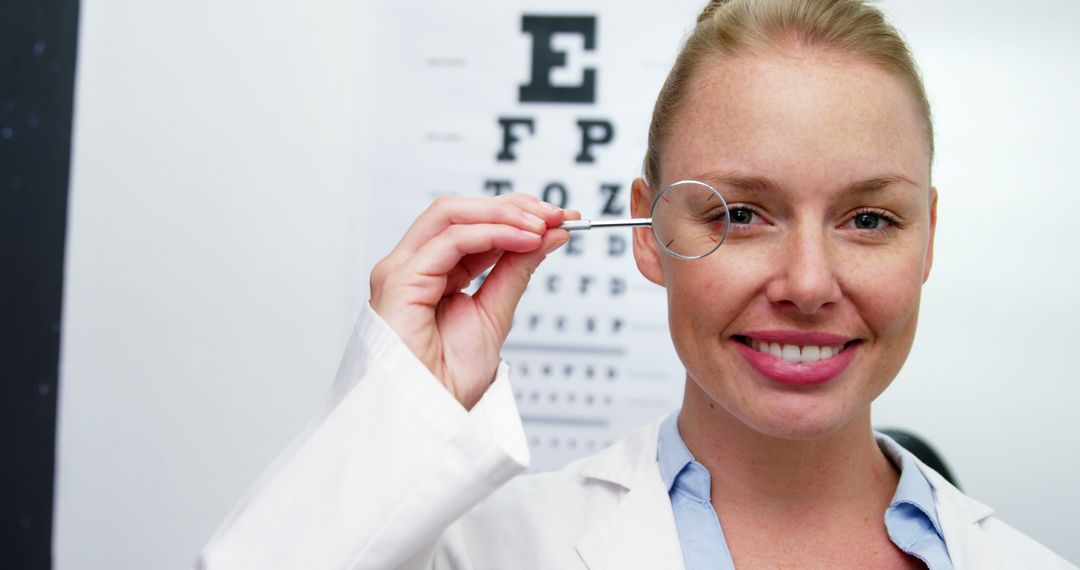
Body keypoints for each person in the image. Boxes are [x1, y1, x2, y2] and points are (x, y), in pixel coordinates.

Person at [198, 0, 1074, 568]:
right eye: (739, 214)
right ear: (650, 233)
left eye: (869, 220)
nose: (808, 283)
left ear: (928, 241)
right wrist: (395, 410)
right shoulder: (489, 555)